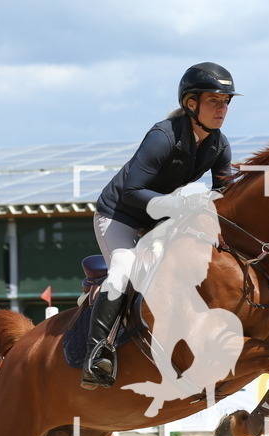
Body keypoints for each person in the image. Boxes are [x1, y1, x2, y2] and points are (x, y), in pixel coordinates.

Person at [82, 61, 240, 389]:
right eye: (214, 100)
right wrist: (181, 203)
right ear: (191, 103)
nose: (221, 109)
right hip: (120, 215)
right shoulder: (163, 137)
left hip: (162, 221)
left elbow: (225, 193)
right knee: (124, 268)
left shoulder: (219, 145)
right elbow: (132, 190)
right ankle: (97, 351)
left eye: (225, 102)